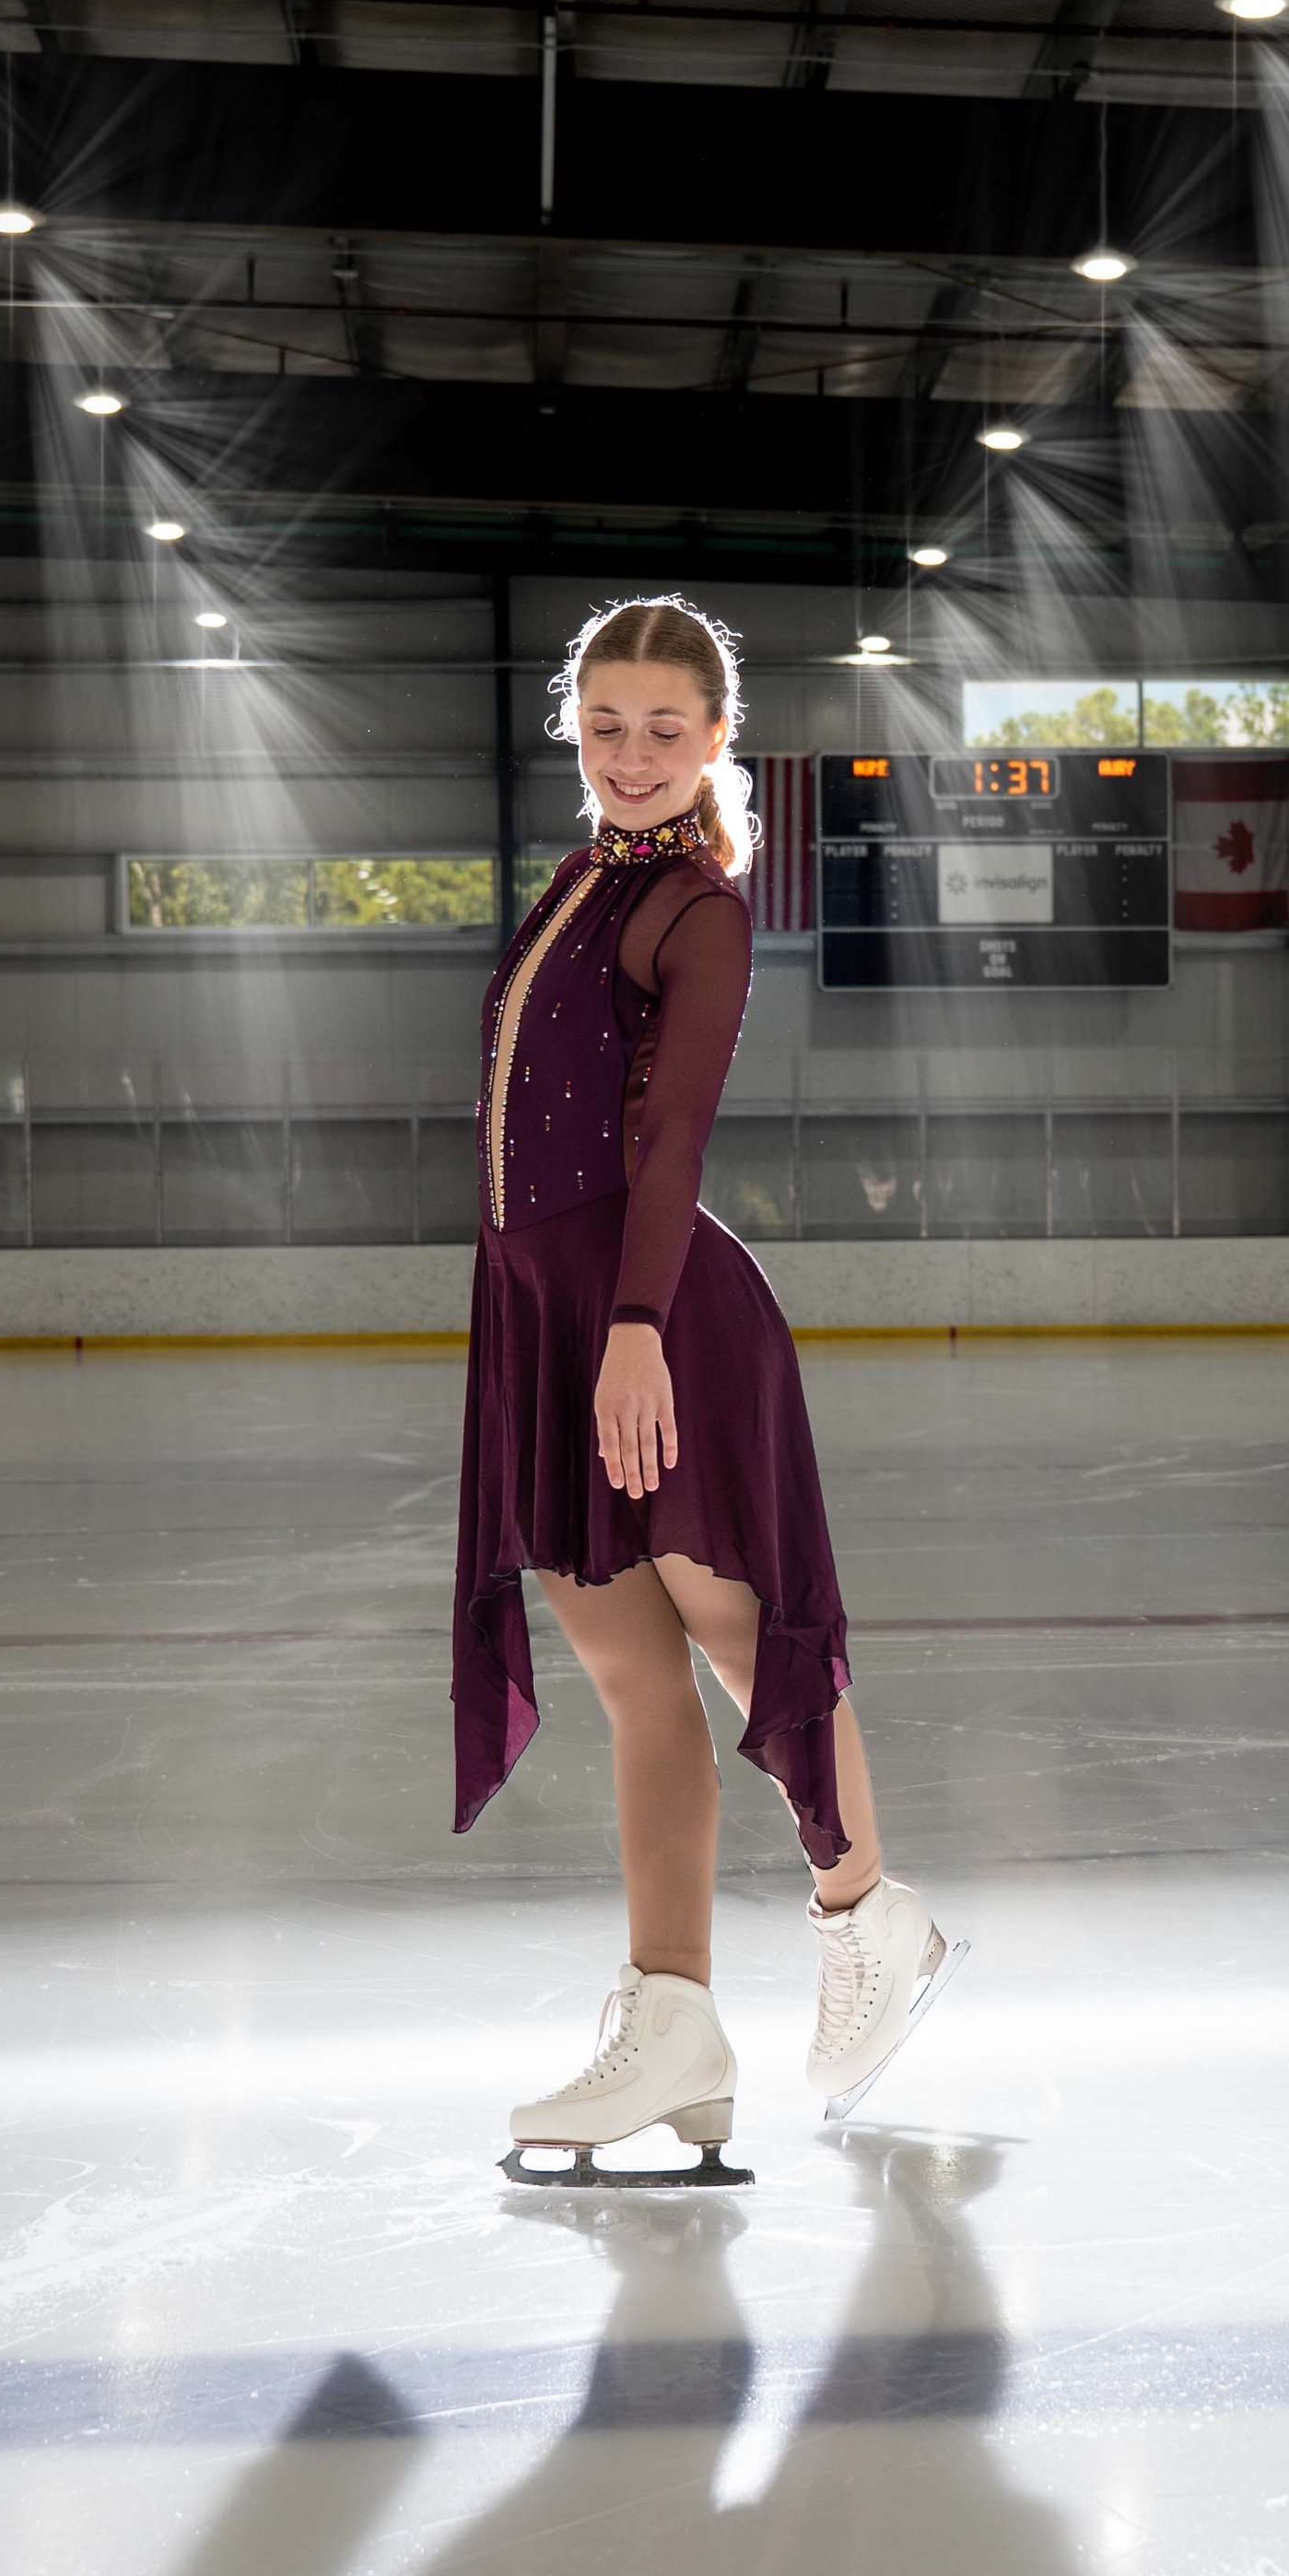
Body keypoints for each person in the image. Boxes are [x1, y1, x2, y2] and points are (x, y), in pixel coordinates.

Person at [452, 594, 964, 2182]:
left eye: (664, 728)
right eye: (604, 724)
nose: (631, 753)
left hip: (651, 1311)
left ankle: (873, 1912)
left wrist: (631, 1327)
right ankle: (674, 2026)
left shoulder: (698, 909)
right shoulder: (579, 882)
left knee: (734, 1625)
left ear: (716, 741)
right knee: (626, 1673)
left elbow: (668, 1139)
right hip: (540, 1303)